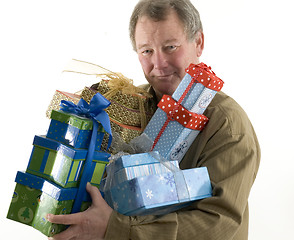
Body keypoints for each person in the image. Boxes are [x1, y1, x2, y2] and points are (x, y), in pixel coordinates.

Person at [47, 0, 261, 239]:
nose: (159, 64)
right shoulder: (122, 105)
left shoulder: (227, 123)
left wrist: (115, 228)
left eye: (170, 47)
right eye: (147, 51)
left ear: (198, 42)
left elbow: (218, 224)